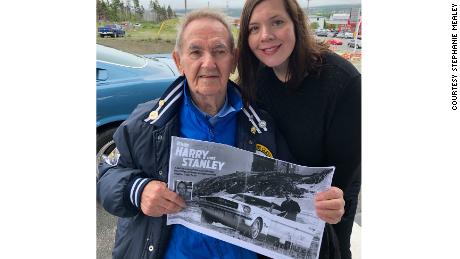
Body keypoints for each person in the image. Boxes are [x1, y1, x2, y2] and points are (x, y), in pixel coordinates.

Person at [97, 9, 328, 259]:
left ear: (233, 60)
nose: (208, 63)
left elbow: (291, 186)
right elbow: (106, 175)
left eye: (219, 51)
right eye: (196, 52)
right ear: (179, 62)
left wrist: (322, 203)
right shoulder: (146, 123)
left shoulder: (262, 126)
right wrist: (138, 190)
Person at [237, 1, 361, 259]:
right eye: (254, 28)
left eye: (277, 22)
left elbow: (339, 181)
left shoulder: (342, 83)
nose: (265, 36)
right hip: (273, 204)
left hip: (326, 205)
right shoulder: (256, 80)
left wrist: (333, 203)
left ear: (296, 24)